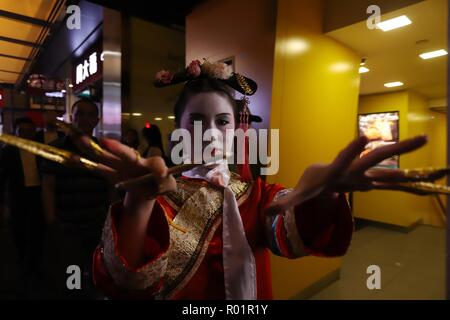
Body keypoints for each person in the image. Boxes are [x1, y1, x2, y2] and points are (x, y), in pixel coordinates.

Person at [75, 60, 428, 300]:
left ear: (237, 131)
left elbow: (289, 234)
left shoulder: (256, 194)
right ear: (177, 131)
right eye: (196, 120)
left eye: (222, 122)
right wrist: (138, 205)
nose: (210, 133)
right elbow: (125, 285)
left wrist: (324, 196)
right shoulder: (156, 195)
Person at [40, 98, 112, 299]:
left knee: (97, 272)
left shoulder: (104, 152)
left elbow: (111, 188)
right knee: (72, 276)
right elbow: (48, 187)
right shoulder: (55, 148)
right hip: (67, 226)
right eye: (80, 114)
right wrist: (51, 221)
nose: (85, 119)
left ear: (97, 120)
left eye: (90, 115)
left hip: (97, 225)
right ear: (72, 118)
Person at [0, 117, 45, 297]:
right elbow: (2, 176)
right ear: (16, 133)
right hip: (18, 195)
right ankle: (22, 261)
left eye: (29, 131)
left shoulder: (41, 150)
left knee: (38, 230)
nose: (26, 134)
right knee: (17, 228)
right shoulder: (8, 151)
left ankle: (33, 264)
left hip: (38, 194)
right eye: (22, 131)